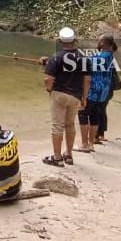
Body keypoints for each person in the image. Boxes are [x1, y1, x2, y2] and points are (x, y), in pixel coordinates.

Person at [41, 27, 90, 167]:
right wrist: (84, 98)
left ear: (60, 40)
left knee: (57, 125)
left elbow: (47, 79)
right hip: (75, 96)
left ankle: (57, 157)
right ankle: (68, 154)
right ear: (75, 40)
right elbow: (87, 80)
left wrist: (49, 90)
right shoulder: (83, 58)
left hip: (59, 94)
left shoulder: (56, 57)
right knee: (70, 125)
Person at [78, 35, 116, 153]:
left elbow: (85, 62)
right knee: (94, 116)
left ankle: (85, 144)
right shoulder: (109, 56)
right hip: (103, 92)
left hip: (93, 91)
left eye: (100, 40)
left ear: (104, 43)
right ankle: (91, 143)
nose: (98, 42)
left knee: (83, 114)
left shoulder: (103, 56)